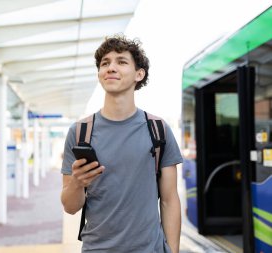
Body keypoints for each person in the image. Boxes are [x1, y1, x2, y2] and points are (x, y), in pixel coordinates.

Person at [61, 35, 183, 253]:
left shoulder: (158, 130)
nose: (111, 67)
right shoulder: (80, 132)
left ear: (139, 74)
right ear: (99, 73)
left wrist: (172, 251)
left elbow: (169, 200)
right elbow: (70, 207)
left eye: (121, 61)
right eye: (105, 63)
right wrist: (77, 183)